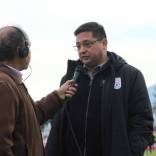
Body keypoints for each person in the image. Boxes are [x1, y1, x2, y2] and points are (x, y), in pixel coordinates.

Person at [45, 22, 154, 156]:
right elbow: (59, 123)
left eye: (87, 44)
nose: (82, 50)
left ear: (104, 43)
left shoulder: (130, 76)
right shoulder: (69, 79)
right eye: (78, 46)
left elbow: (143, 121)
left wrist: (130, 152)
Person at [0, 25, 77, 156]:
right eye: (28, 46)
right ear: (21, 50)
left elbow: (32, 118)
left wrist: (57, 96)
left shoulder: (11, 81)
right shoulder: (4, 85)